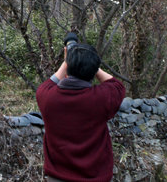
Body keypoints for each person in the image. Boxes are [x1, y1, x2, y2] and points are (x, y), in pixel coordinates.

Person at [36, 43, 126, 182]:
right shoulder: (102, 98)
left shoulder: (46, 96)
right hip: (96, 177)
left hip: (57, 177)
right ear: (94, 69)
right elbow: (116, 85)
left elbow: (48, 83)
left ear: (67, 66)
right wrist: (90, 63)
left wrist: (68, 61)